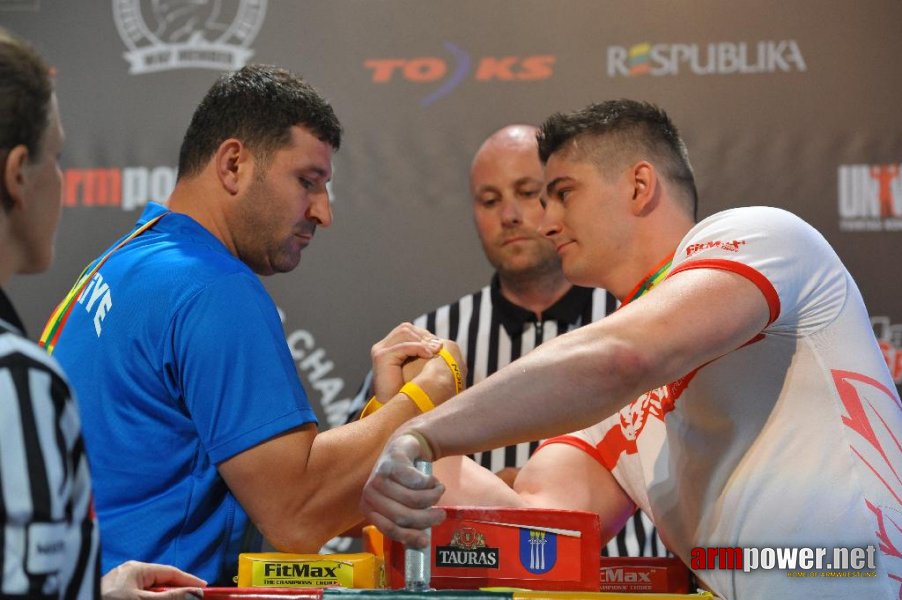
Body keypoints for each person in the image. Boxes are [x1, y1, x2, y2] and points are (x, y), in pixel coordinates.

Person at [360, 100, 901, 599]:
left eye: (563, 193)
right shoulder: (611, 391)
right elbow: (535, 527)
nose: (547, 223)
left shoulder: (761, 236)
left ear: (640, 185)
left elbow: (625, 356)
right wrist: (405, 408)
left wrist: (425, 434)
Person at [43, 64, 463, 585]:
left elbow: (293, 490)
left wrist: (382, 412)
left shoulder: (126, 259)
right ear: (234, 164)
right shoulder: (214, 288)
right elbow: (296, 515)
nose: (323, 212)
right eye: (307, 182)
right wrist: (427, 399)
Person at [349, 124, 666, 558]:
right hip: (472, 581)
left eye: (528, 192)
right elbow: (350, 497)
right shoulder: (427, 340)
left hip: (632, 581)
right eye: (490, 200)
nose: (510, 215)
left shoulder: (642, 318)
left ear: (560, 201)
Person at [0, 27, 204, 599]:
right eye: (58, 156)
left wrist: (93, 589)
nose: (62, 180)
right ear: (18, 174)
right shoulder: (17, 379)